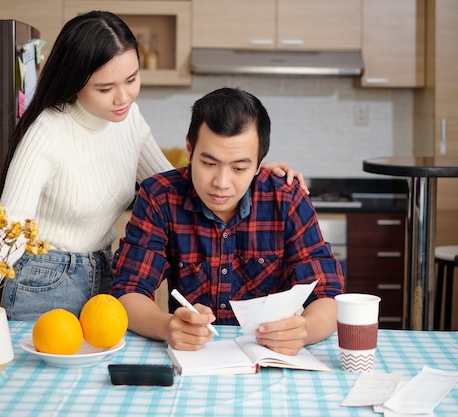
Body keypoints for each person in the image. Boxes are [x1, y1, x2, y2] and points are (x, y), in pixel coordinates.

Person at [0, 12, 306, 353]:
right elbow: (3, 238)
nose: (123, 98)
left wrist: (255, 173)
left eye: (132, 79)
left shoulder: (128, 119)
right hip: (42, 283)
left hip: (104, 278)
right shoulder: (48, 133)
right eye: (106, 88)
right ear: (75, 81)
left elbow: (179, 185)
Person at [111, 87, 344, 356]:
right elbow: (128, 290)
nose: (221, 183)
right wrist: (167, 326)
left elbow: (327, 294)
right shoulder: (160, 196)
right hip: (194, 356)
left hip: (267, 357)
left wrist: (303, 330)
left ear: (259, 164)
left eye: (239, 168)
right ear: (190, 147)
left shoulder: (286, 199)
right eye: (209, 164)